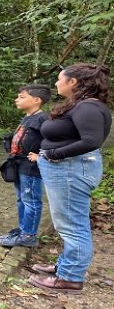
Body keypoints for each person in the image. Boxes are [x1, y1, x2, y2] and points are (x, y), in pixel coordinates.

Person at [28, 64, 111, 294]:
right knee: (68, 222)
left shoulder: (88, 107)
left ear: (73, 82)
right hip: (67, 170)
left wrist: (54, 154)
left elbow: (91, 141)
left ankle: (70, 277)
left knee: (72, 225)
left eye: (59, 79)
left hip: (70, 170)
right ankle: (65, 266)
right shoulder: (83, 105)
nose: (56, 83)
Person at [0, 85, 50, 247]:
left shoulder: (43, 119)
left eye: (21, 96)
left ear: (36, 100)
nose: (16, 99)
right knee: (22, 199)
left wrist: (41, 155)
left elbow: (54, 140)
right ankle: (23, 229)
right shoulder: (28, 117)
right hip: (19, 164)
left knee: (31, 200)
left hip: (31, 168)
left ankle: (29, 236)